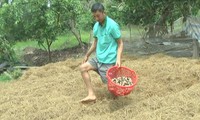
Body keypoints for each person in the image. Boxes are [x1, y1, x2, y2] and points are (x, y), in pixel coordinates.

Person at [79, 2, 123, 103]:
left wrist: (118, 59)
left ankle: (118, 100)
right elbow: (95, 43)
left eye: (98, 16)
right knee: (82, 68)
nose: (96, 18)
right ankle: (91, 95)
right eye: (94, 16)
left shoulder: (112, 25)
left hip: (108, 61)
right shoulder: (96, 26)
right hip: (98, 58)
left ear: (104, 13)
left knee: (112, 90)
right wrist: (87, 55)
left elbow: (120, 43)